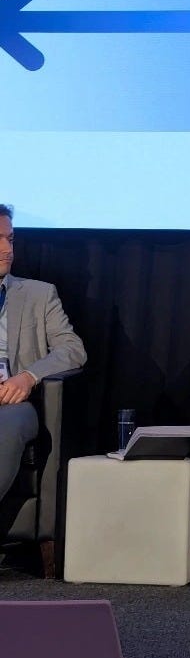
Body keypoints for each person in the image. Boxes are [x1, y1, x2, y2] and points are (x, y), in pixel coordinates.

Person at [0, 204, 87, 505]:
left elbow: (72, 348)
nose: (7, 249)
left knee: (7, 426)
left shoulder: (38, 294)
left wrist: (28, 376)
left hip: (12, 404)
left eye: (10, 239)